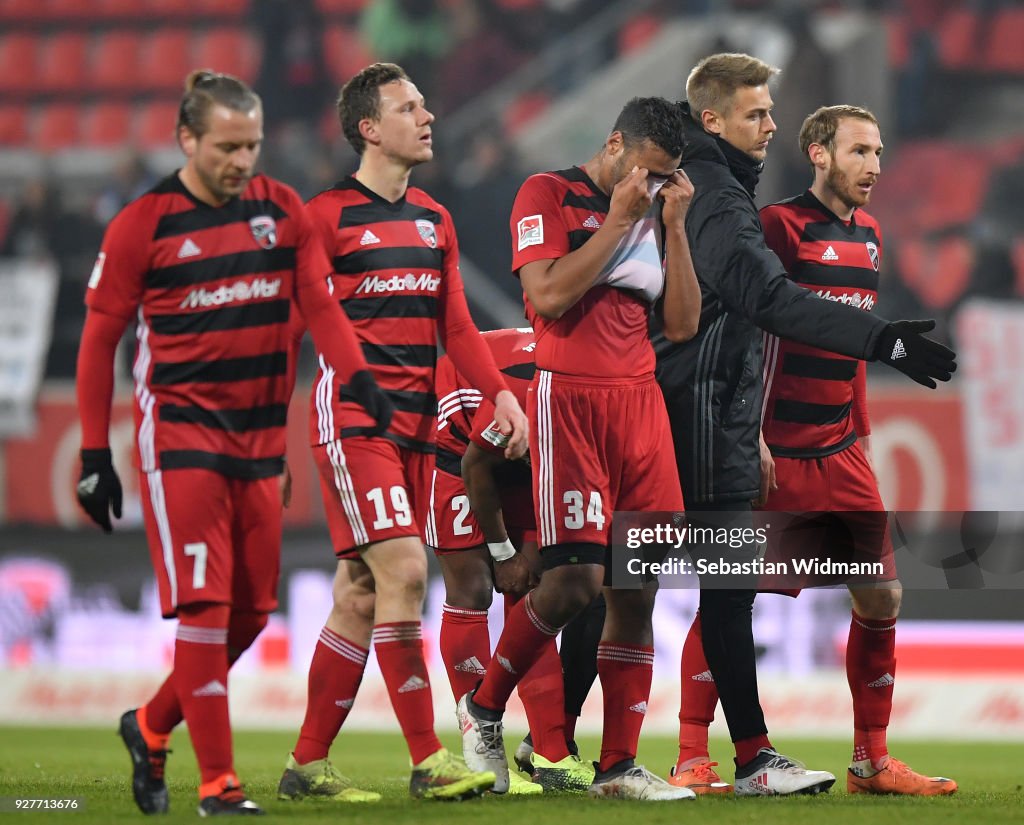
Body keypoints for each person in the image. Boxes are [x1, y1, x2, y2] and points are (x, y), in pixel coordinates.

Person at [74, 70, 394, 816]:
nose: (241, 160)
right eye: (226, 146)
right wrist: (94, 454)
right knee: (207, 609)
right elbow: (99, 342)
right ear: (187, 139)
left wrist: (359, 378)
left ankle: (151, 724)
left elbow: (317, 299)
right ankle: (219, 784)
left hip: (257, 444)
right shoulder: (142, 224)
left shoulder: (280, 208)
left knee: (251, 612)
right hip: (182, 437)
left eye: (250, 145)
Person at [653, 53, 956, 796]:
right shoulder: (776, 224)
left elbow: (842, 346)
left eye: (880, 152)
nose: (873, 165)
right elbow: (761, 325)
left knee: (881, 595)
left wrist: (858, 430)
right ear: (818, 153)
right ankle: (694, 751)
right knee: (734, 590)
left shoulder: (873, 238)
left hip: (841, 449)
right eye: (859, 150)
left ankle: (870, 760)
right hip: (775, 445)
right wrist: (749, 431)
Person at [275, 62, 526, 803]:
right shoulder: (323, 219)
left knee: (361, 590)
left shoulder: (433, 220)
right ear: (368, 128)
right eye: (408, 107)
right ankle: (428, 757)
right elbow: (292, 329)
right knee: (407, 572)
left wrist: (499, 396)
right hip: (355, 420)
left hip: (417, 426)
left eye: (425, 104)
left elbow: (456, 324)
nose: (428, 117)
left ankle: (306, 765)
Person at [458, 96, 702, 802]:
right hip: (569, 397)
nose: (653, 187)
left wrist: (674, 227)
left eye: (666, 179)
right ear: (615, 143)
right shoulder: (547, 193)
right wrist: (621, 220)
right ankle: (483, 709)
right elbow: (550, 295)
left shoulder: (656, 211)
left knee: (638, 588)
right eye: (648, 172)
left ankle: (620, 764)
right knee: (572, 586)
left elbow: (682, 323)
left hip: (641, 404)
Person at [429, 326, 602, 793]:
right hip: (457, 449)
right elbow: (476, 464)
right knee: (474, 588)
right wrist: (504, 551)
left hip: (521, 456)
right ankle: (480, 744)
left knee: (532, 594)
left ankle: (552, 755)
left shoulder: (609, 392)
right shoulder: (533, 391)